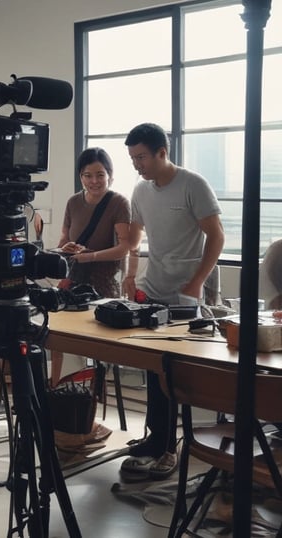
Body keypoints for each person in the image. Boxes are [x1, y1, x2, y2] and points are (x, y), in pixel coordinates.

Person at [120, 123, 225, 481]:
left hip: (186, 295)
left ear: (162, 153)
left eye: (142, 157)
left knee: (176, 373)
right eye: (133, 158)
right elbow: (135, 237)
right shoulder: (140, 190)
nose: (137, 165)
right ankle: (156, 438)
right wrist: (131, 272)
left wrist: (198, 281)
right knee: (153, 368)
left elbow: (217, 236)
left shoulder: (192, 184)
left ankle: (171, 448)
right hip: (153, 288)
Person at [50, 147, 131, 385]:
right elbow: (64, 240)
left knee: (97, 347)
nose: (94, 181)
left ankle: (91, 399)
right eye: (88, 175)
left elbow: (124, 247)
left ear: (110, 175)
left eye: (100, 174)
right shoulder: (73, 202)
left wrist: (91, 256)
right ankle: (57, 389)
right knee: (57, 337)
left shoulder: (118, 203)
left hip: (103, 286)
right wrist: (67, 248)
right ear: (80, 176)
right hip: (73, 281)